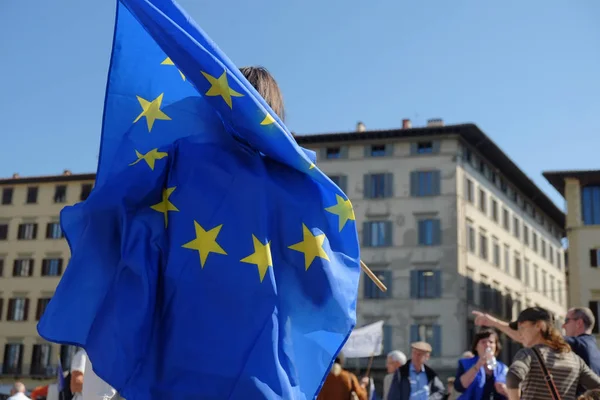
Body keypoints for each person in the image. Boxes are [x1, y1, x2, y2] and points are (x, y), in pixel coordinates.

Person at [502, 307, 600, 399]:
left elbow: (513, 376)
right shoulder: (575, 360)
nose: (520, 333)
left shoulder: (528, 354)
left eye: (522, 327)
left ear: (538, 326)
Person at [473, 307, 600, 375]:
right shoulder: (592, 347)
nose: (563, 326)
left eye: (567, 321)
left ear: (579, 323)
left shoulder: (575, 344)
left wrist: (492, 322)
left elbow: (524, 338)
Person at [454, 328, 508, 399]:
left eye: (491, 342)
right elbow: (459, 387)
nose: (487, 345)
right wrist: (478, 366)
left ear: (496, 346)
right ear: (476, 347)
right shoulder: (465, 364)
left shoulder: (503, 369)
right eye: (483, 342)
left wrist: (505, 390)